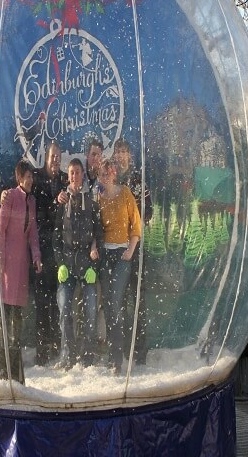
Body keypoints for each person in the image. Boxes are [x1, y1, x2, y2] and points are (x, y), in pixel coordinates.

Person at [0, 160, 42, 384]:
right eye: (26, 176)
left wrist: (37, 257)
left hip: (21, 266)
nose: (30, 180)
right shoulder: (9, 196)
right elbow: (0, 230)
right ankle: (3, 374)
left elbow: (33, 235)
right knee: (4, 319)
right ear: (19, 178)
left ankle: (18, 375)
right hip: (6, 266)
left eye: (32, 176)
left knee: (17, 322)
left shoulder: (32, 201)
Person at [53, 158, 104, 370]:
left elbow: (99, 233)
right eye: (71, 173)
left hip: (88, 267)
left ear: (83, 175)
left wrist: (95, 263)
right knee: (65, 309)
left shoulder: (91, 202)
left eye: (78, 172)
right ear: (68, 176)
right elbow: (55, 235)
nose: (75, 176)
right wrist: (60, 263)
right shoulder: (61, 202)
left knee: (91, 311)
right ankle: (67, 356)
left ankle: (88, 357)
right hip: (67, 266)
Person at [97, 158, 141, 375]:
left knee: (115, 302)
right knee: (109, 304)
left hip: (123, 254)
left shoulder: (125, 193)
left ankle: (117, 357)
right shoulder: (99, 198)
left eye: (107, 173)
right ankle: (114, 356)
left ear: (113, 173)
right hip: (105, 255)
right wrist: (95, 247)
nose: (104, 177)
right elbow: (94, 228)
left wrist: (131, 250)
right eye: (101, 174)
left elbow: (136, 224)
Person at [113, 138, 153, 365]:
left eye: (123, 151)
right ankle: (122, 349)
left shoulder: (138, 180)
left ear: (129, 155)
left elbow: (149, 212)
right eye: (117, 151)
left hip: (135, 248)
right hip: (115, 249)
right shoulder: (112, 179)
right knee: (118, 300)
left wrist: (132, 228)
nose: (120, 155)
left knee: (137, 300)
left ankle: (139, 351)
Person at [32, 142, 67, 365]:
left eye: (58, 157)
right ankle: (41, 349)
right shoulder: (36, 177)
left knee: (57, 301)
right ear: (46, 157)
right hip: (41, 248)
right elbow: (38, 210)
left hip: (60, 250)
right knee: (41, 301)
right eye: (53, 156)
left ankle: (55, 345)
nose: (55, 160)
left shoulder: (65, 179)